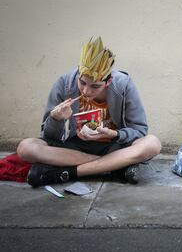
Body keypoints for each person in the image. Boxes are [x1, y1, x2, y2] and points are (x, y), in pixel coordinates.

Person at [17, 37, 162, 187]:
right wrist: (56, 119)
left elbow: (140, 130)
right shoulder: (65, 83)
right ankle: (117, 167)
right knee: (26, 148)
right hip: (74, 148)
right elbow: (48, 136)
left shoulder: (123, 85)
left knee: (152, 144)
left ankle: (66, 173)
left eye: (95, 86)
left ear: (108, 81)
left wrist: (115, 134)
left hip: (113, 147)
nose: (86, 91)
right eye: (82, 82)